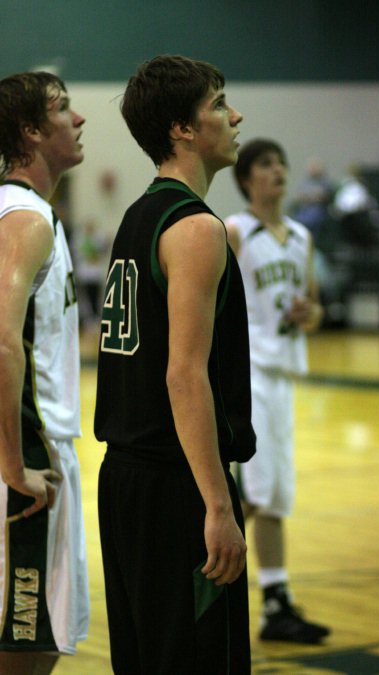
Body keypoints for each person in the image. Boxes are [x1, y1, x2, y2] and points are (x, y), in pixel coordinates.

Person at [94, 55, 256, 675]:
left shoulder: (139, 217)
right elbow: (183, 375)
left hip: (127, 482)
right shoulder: (195, 228)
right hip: (177, 485)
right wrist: (217, 505)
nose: (234, 115)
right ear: (181, 129)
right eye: (218, 103)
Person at [0, 72, 89, 674]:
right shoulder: (24, 218)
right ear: (31, 130)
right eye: (63, 109)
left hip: (37, 445)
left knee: (44, 641)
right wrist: (13, 465)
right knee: (26, 650)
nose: (78, 119)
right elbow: (2, 339)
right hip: (27, 452)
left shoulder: (27, 214)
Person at [225, 138, 331, 644]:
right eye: (267, 164)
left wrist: (308, 314)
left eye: (282, 162)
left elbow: (315, 308)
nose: (279, 171)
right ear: (246, 178)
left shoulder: (301, 238)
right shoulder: (234, 231)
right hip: (248, 375)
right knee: (257, 491)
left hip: (284, 374)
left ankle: (274, 602)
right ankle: (196, 575)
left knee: (274, 497)